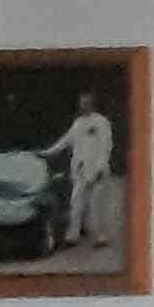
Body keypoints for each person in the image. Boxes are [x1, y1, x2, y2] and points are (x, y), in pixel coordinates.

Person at [44, 91, 115, 246]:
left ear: (92, 104)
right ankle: (73, 236)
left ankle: (100, 237)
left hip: (97, 170)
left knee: (96, 205)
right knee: (76, 203)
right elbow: (65, 141)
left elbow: (106, 146)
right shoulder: (78, 123)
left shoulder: (101, 122)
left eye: (86, 103)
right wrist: (47, 152)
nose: (83, 106)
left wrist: (100, 168)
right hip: (80, 170)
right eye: (81, 103)